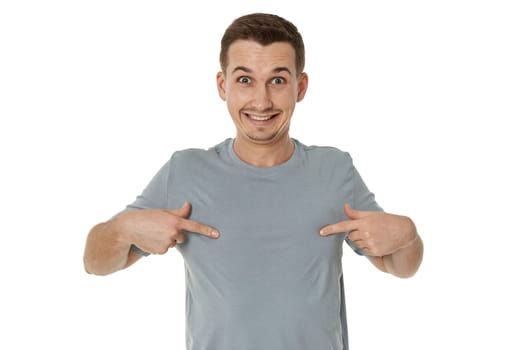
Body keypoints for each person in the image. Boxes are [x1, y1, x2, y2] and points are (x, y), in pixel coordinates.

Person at [83, 12, 423, 350]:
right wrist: (123, 229)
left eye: (277, 81)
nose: (261, 102)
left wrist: (407, 235)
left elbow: (400, 265)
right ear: (222, 85)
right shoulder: (185, 170)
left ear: (299, 87)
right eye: (245, 80)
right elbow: (94, 263)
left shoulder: (335, 169)